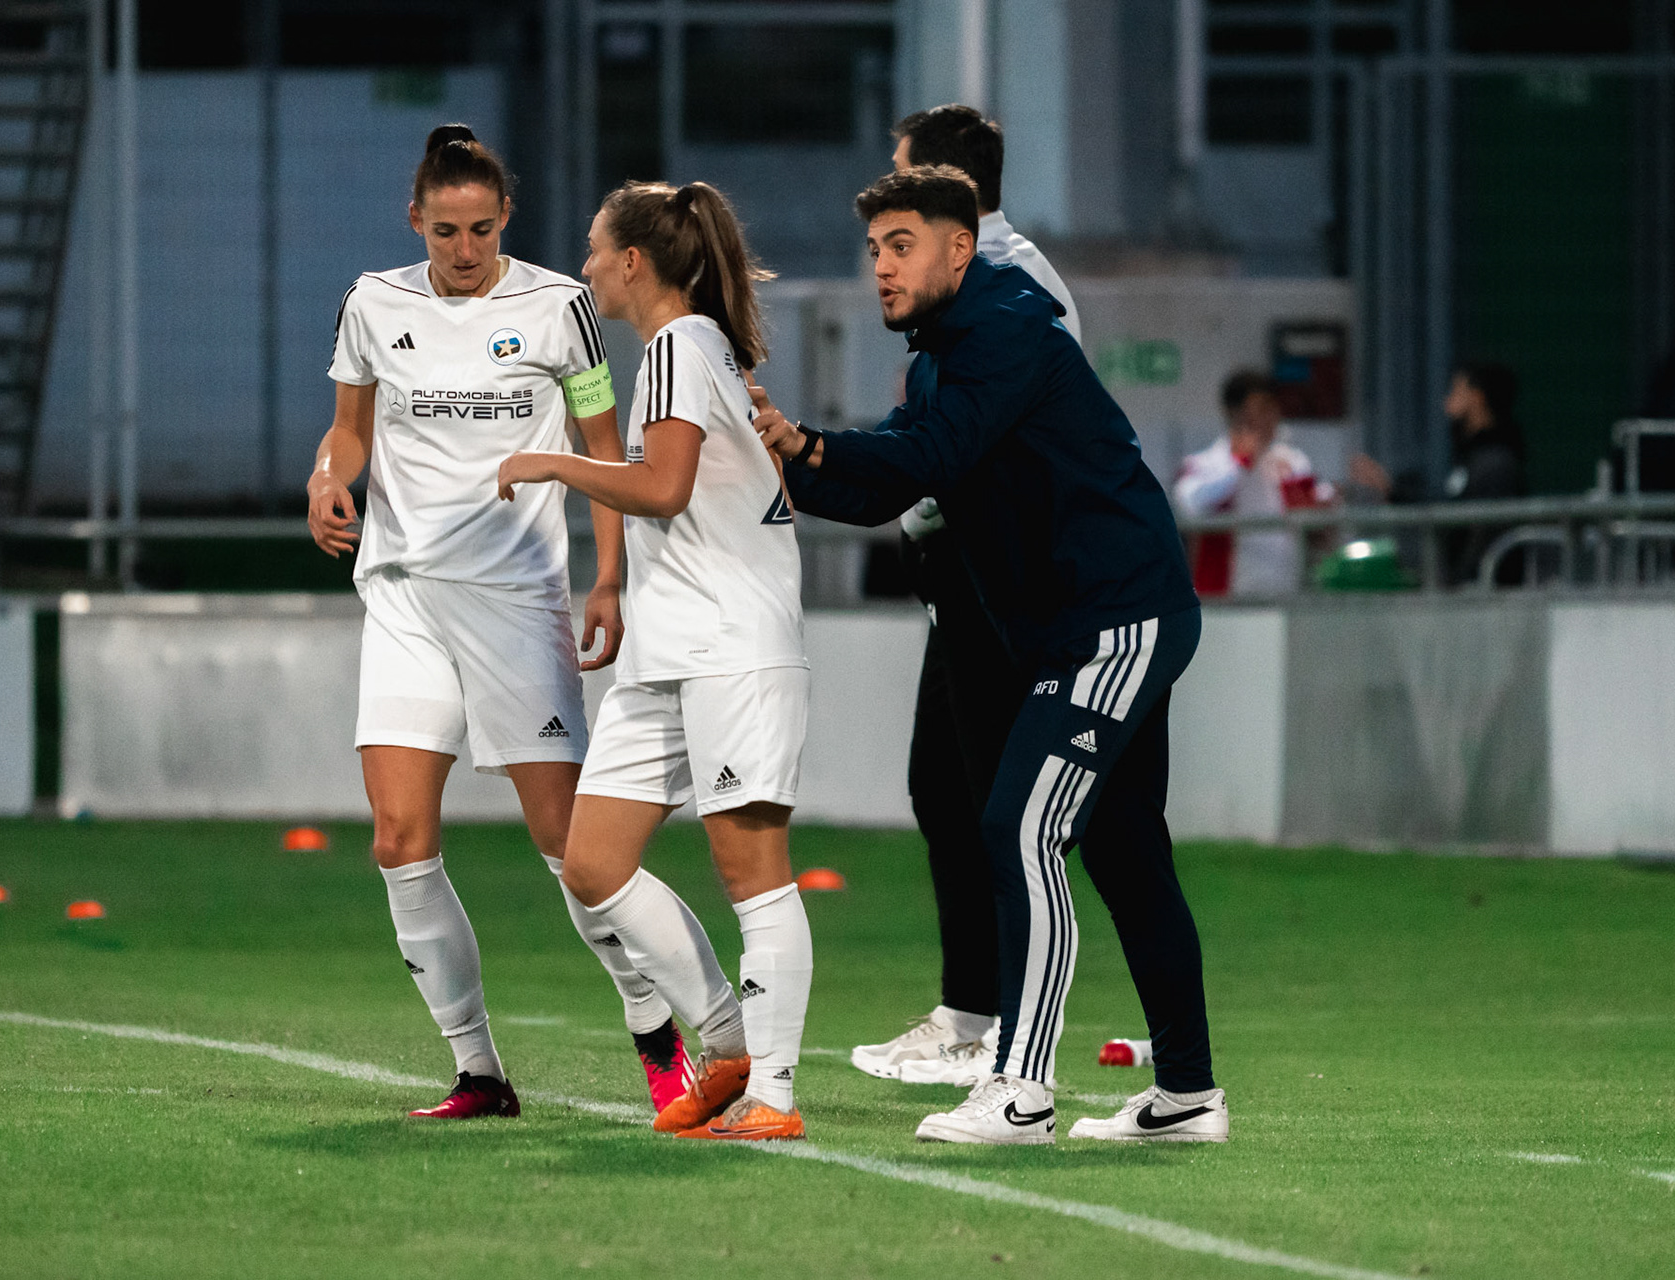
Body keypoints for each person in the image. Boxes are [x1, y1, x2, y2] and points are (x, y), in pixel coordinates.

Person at [753, 166, 1225, 1145]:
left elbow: (923, 461)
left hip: (1113, 618)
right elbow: (897, 479)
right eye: (874, 247)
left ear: (959, 248)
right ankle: (1186, 1094)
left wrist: (802, 446)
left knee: (1017, 825)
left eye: (902, 244)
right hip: (1093, 623)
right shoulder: (947, 350)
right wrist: (798, 455)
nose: (881, 267)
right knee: (1126, 850)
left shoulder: (1001, 326)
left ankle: (1020, 1091)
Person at [307, 125, 698, 1121]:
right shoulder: (371, 302)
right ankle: (477, 1069)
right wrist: (327, 478)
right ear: (416, 222)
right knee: (399, 837)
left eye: (481, 229)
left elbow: (603, 445)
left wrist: (606, 577)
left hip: (519, 601)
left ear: (506, 221)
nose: (464, 248)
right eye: (446, 231)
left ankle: (658, 1034)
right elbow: (350, 431)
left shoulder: (562, 308)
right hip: (402, 598)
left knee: (571, 843)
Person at [496, 181, 814, 1142]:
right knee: (591, 863)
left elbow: (666, 487)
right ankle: (727, 1040)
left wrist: (555, 462)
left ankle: (779, 1095)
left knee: (751, 870)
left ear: (633, 262)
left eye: (595, 249)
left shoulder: (679, 346)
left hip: (732, 646)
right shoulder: (686, 350)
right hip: (672, 648)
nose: (586, 264)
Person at [853, 104, 1083, 1088]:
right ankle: (968, 1010)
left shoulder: (1015, 280)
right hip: (963, 569)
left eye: (903, 175)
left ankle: (1015, 1036)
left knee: (1002, 809)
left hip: (1012, 572)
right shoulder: (957, 277)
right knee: (943, 789)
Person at [1173, 370, 1338, 598]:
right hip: (1227, 596)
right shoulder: (1205, 463)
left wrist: (1326, 503)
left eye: (1273, 408)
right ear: (1234, 413)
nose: (1268, 418)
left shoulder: (1291, 460)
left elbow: (1319, 506)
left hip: (1286, 590)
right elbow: (1191, 505)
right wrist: (1241, 463)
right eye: (1260, 409)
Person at [1441, 361, 1527, 585]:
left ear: (1477, 398)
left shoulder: (1496, 463)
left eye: (1456, 392)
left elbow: (1485, 540)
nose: (1447, 405)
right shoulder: (1470, 458)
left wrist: (1458, 585)